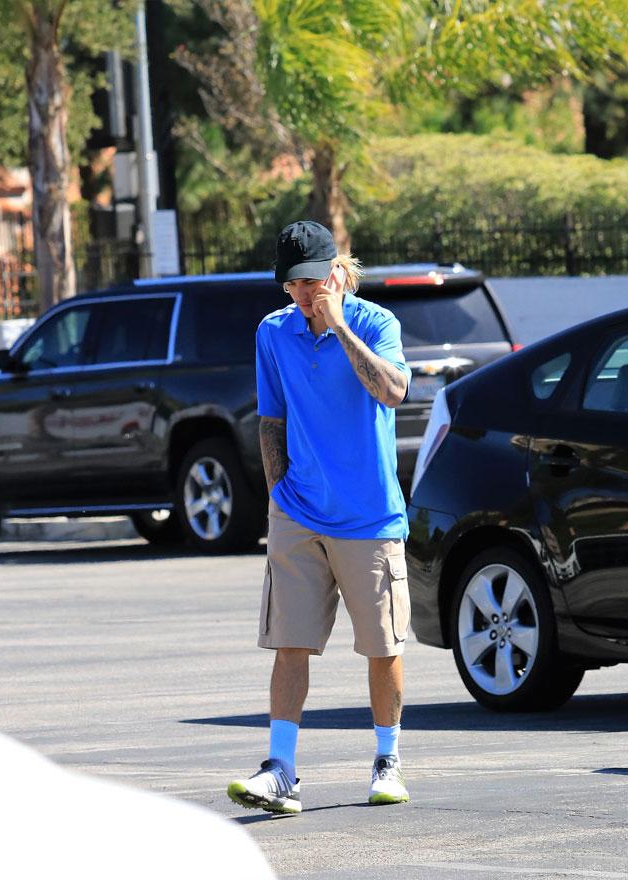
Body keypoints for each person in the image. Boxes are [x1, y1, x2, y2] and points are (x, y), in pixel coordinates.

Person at [226, 220, 413, 815]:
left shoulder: (376, 323)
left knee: (382, 647)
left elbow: (392, 391)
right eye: (292, 285)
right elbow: (270, 420)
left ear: (337, 271)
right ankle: (281, 770)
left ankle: (387, 762)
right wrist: (278, 493)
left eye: (312, 280)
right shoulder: (273, 333)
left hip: (369, 517)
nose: (303, 294)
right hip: (299, 512)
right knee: (290, 642)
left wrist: (338, 327)